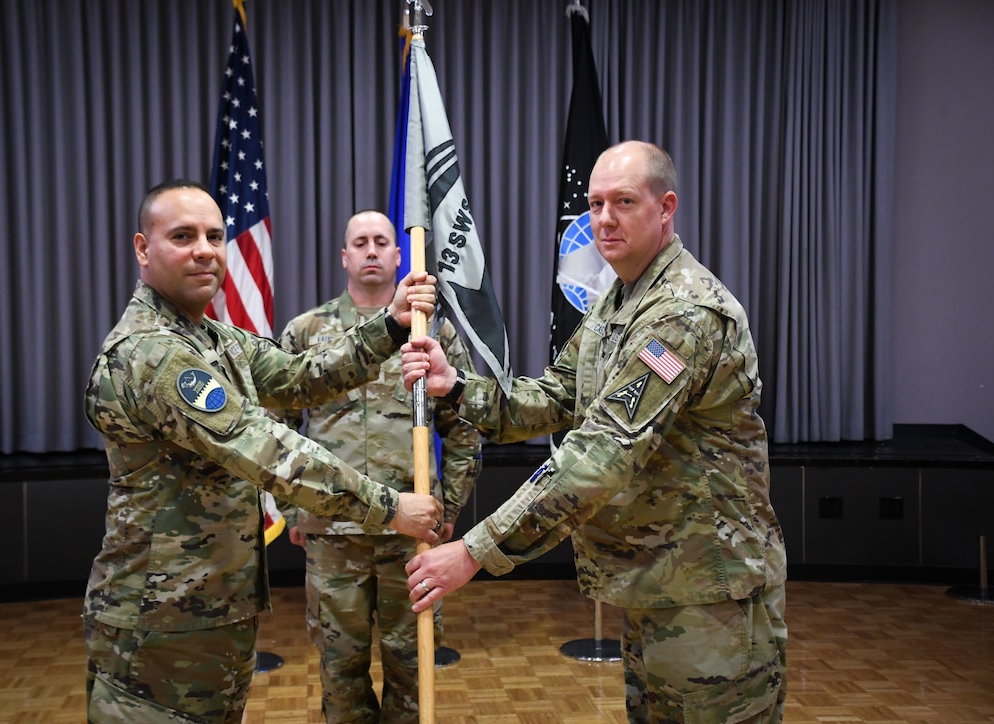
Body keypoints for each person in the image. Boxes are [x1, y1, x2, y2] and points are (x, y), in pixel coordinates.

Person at [401, 141, 788, 723]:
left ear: (666, 207)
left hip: (712, 596)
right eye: (595, 204)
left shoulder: (683, 313)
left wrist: (476, 551)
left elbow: (600, 454)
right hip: (657, 584)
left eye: (624, 202)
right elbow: (557, 396)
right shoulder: (619, 301)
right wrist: (455, 386)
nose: (604, 219)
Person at [82, 179, 444, 723]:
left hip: (210, 606)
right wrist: (391, 507)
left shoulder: (215, 338)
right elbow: (268, 450)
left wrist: (389, 327)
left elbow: (301, 377)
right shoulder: (155, 354)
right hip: (159, 620)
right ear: (143, 248)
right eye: (182, 236)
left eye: (213, 235)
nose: (204, 250)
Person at [276, 210, 482, 723]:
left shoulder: (432, 334)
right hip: (332, 534)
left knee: (413, 670)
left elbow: (466, 425)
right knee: (338, 672)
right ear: (345, 256)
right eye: (360, 242)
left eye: (381, 241)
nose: (371, 250)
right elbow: (272, 425)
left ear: (398, 255)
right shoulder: (306, 332)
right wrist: (290, 507)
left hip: (410, 538)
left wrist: (450, 506)